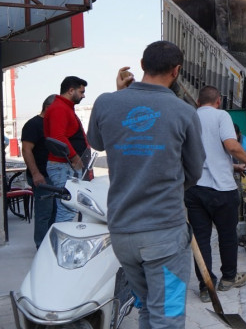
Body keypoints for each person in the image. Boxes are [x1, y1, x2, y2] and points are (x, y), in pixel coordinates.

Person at [87, 42, 206, 329]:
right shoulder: (184, 112)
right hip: (165, 234)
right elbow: (194, 171)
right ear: (176, 71)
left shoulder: (105, 102)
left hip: (123, 234)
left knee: (148, 309)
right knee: (170, 316)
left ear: (141, 65)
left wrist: (120, 96)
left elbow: (97, 142)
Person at [187, 85, 246, 303]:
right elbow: (231, 145)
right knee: (227, 235)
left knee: (201, 238)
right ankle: (228, 278)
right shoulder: (221, 116)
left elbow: (204, 154)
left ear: (198, 102)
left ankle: (205, 286)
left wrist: (233, 167)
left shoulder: (189, 117)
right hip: (222, 190)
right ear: (218, 100)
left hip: (194, 190)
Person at [43, 76, 89, 223]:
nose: (83, 95)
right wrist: (75, 158)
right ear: (71, 90)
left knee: (69, 209)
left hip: (67, 166)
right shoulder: (59, 108)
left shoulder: (64, 108)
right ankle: (63, 245)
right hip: (64, 166)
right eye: (81, 92)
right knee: (67, 211)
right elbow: (58, 137)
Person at [21, 95, 55, 247]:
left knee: (55, 212)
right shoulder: (33, 124)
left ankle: (51, 244)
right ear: (48, 107)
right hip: (41, 177)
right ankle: (41, 246)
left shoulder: (52, 124)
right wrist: (35, 174)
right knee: (44, 213)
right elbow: (26, 150)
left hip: (53, 176)